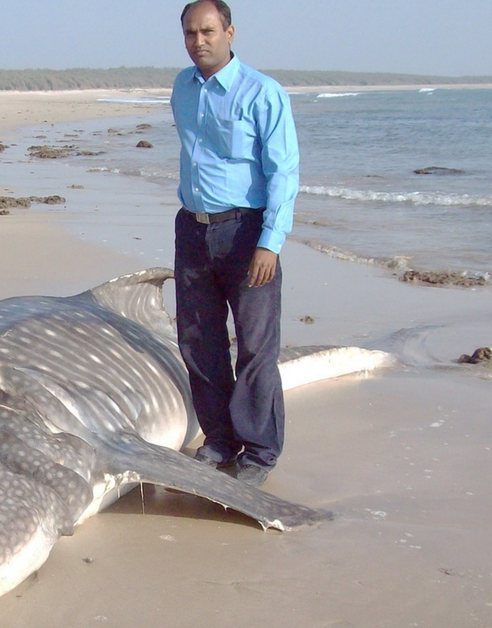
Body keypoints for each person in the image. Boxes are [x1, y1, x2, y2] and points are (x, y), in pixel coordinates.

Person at [170, 0, 299, 487]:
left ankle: (260, 451)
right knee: (198, 342)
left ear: (229, 32)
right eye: (189, 33)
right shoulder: (182, 88)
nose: (198, 41)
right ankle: (220, 439)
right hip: (193, 229)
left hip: (247, 232)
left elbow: (283, 172)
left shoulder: (263, 93)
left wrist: (271, 242)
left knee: (255, 346)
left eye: (207, 31)